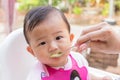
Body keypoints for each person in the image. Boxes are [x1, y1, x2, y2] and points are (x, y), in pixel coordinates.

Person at [23, 6, 111, 80]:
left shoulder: (78, 60)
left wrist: (100, 79)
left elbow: (85, 75)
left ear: (70, 39)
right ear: (32, 51)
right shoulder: (37, 76)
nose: (53, 47)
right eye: (42, 43)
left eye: (58, 38)